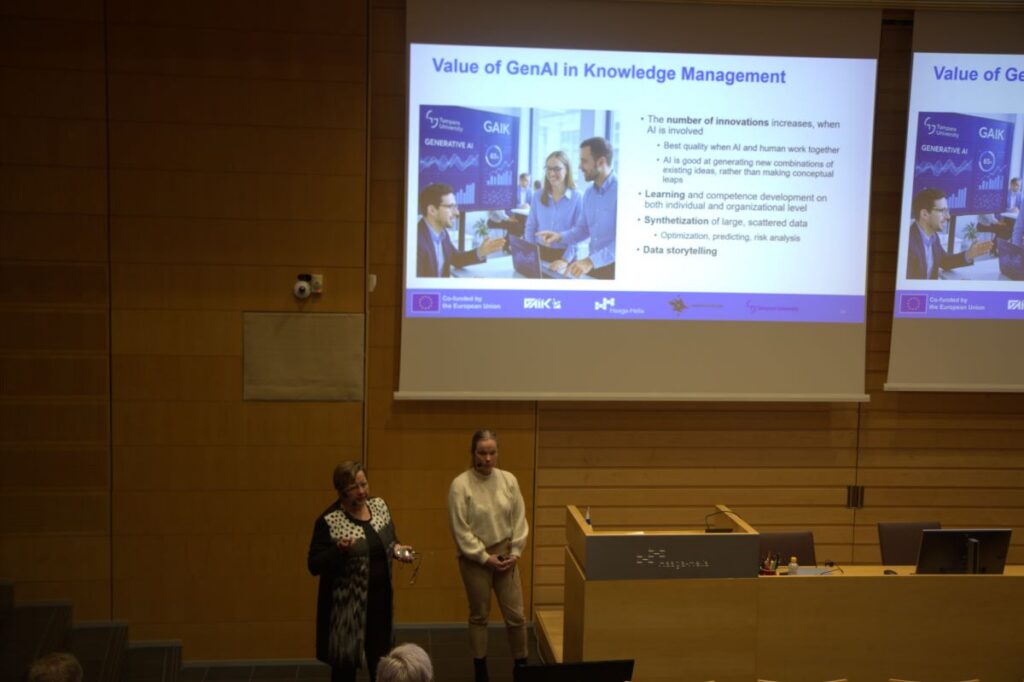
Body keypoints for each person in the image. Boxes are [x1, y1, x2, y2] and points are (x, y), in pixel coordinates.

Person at [308, 461, 415, 682]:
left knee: (383, 665)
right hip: (348, 611)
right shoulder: (329, 520)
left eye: (364, 484)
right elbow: (314, 564)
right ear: (341, 492)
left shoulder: (379, 506)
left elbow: (390, 540)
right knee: (344, 670)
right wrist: (338, 550)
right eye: (354, 488)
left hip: (380, 603)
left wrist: (397, 549)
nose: (362, 491)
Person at [448, 429, 529, 682]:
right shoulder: (460, 485)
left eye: (492, 452)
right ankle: (480, 670)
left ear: (497, 453)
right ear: (473, 454)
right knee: (479, 615)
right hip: (476, 560)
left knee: (516, 616)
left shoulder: (508, 480)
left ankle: (521, 666)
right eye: (482, 453)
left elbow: (519, 519)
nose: (488, 458)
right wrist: (484, 557)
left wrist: (515, 552)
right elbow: (461, 529)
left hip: (507, 557)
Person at [536, 137, 618, 279]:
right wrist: (560, 236)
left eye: (584, 161)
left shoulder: (623, 192)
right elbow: (582, 229)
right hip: (593, 267)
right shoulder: (589, 193)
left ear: (601, 162)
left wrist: (590, 261)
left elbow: (626, 242)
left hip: (616, 270)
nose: (579, 166)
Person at [416, 183, 505, 277]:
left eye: (456, 207)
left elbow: (456, 259)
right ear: (432, 210)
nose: (457, 213)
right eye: (450, 207)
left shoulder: (442, 234)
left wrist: (480, 252)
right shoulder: (416, 242)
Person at [905, 188, 992, 280]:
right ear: (924, 214)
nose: (948, 216)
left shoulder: (933, 237)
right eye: (942, 211)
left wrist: (968, 254)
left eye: (947, 211)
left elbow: (944, 261)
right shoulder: (907, 244)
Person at [524, 150, 582, 271]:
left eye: (556, 169)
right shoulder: (538, 196)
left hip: (565, 257)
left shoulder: (577, 198)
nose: (551, 173)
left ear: (567, 170)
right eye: (548, 168)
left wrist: (565, 260)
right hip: (539, 253)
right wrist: (531, 253)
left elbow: (579, 233)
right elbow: (530, 227)